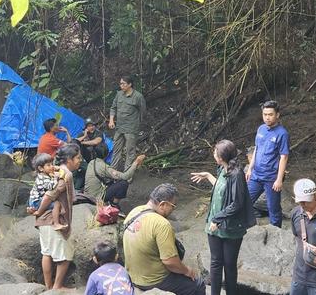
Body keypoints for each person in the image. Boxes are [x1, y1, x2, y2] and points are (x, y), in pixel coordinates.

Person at [190, 140, 256, 295]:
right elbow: (221, 189)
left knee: (229, 264)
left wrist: (217, 219)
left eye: (215, 152)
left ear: (222, 156)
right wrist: (207, 176)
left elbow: (237, 203)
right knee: (215, 262)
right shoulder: (222, 169)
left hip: (230, 227)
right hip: (214, 225)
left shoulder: (237, 174)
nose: (213, 153)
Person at [123, 183, 205, 295]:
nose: (173, 209)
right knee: (198, 284)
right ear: (163, 204)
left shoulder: (134, 212)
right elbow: (170, 262)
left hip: (132, 276)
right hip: (153, 280)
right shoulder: (161, 224)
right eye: (173, 206)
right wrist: (187, 271)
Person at [29, 143, 82, 290]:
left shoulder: (53, 171)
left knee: (47, 253)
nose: (80, 160)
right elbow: (50, 195)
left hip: (43, 221)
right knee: (64, 256)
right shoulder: (66, 174)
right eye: (77, 158)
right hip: (53, 220)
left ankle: (49, 287)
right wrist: (39, 210)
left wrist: (38, 213)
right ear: (69, 160)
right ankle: (57, 287)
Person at [245, 100, 290, 227]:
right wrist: (250, 169)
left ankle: (276, 234)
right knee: (246, 201)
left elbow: (284, 157)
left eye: (270, 114)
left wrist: (279, 180)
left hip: (271, 177)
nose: (267, 117)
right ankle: (247, 226)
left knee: (273, 209)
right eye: (265, 114)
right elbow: (256, 149)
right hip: (256, 175)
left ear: (277, 115)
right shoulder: (261, 129)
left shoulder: (282, 134)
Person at [84, 144, 146, 209]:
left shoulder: (91, 162)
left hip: (87, 195)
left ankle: (110, 201)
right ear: (107, 154)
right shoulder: (104, 167)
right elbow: (125, 176)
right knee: (123, 183)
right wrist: (136, 162)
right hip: (97, 197)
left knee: (112, 181)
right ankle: (114, 204)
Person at [109, 76, 146, 171]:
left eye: (123, 84)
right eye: (120, 83)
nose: (121, 85)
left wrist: (136, 125)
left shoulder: (138, 96)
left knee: (130, 151)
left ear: (130, 84)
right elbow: (113, 108)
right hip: (119, 127)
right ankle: (112, 171)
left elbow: (142, 112)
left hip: (131, 129)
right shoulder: (119, 94)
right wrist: (111, 120)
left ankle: (127, 173)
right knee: (116, 149)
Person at [28, 153, 67, 231]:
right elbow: (50, 187)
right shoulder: (43, 177)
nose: (52, 166)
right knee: (57, 204)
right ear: (41, 168)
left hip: (34, 199)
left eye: (52, 164)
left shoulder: (44, 174)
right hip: (36, 201)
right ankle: (56, 224)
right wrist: (55, 178)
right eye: (49, 165)